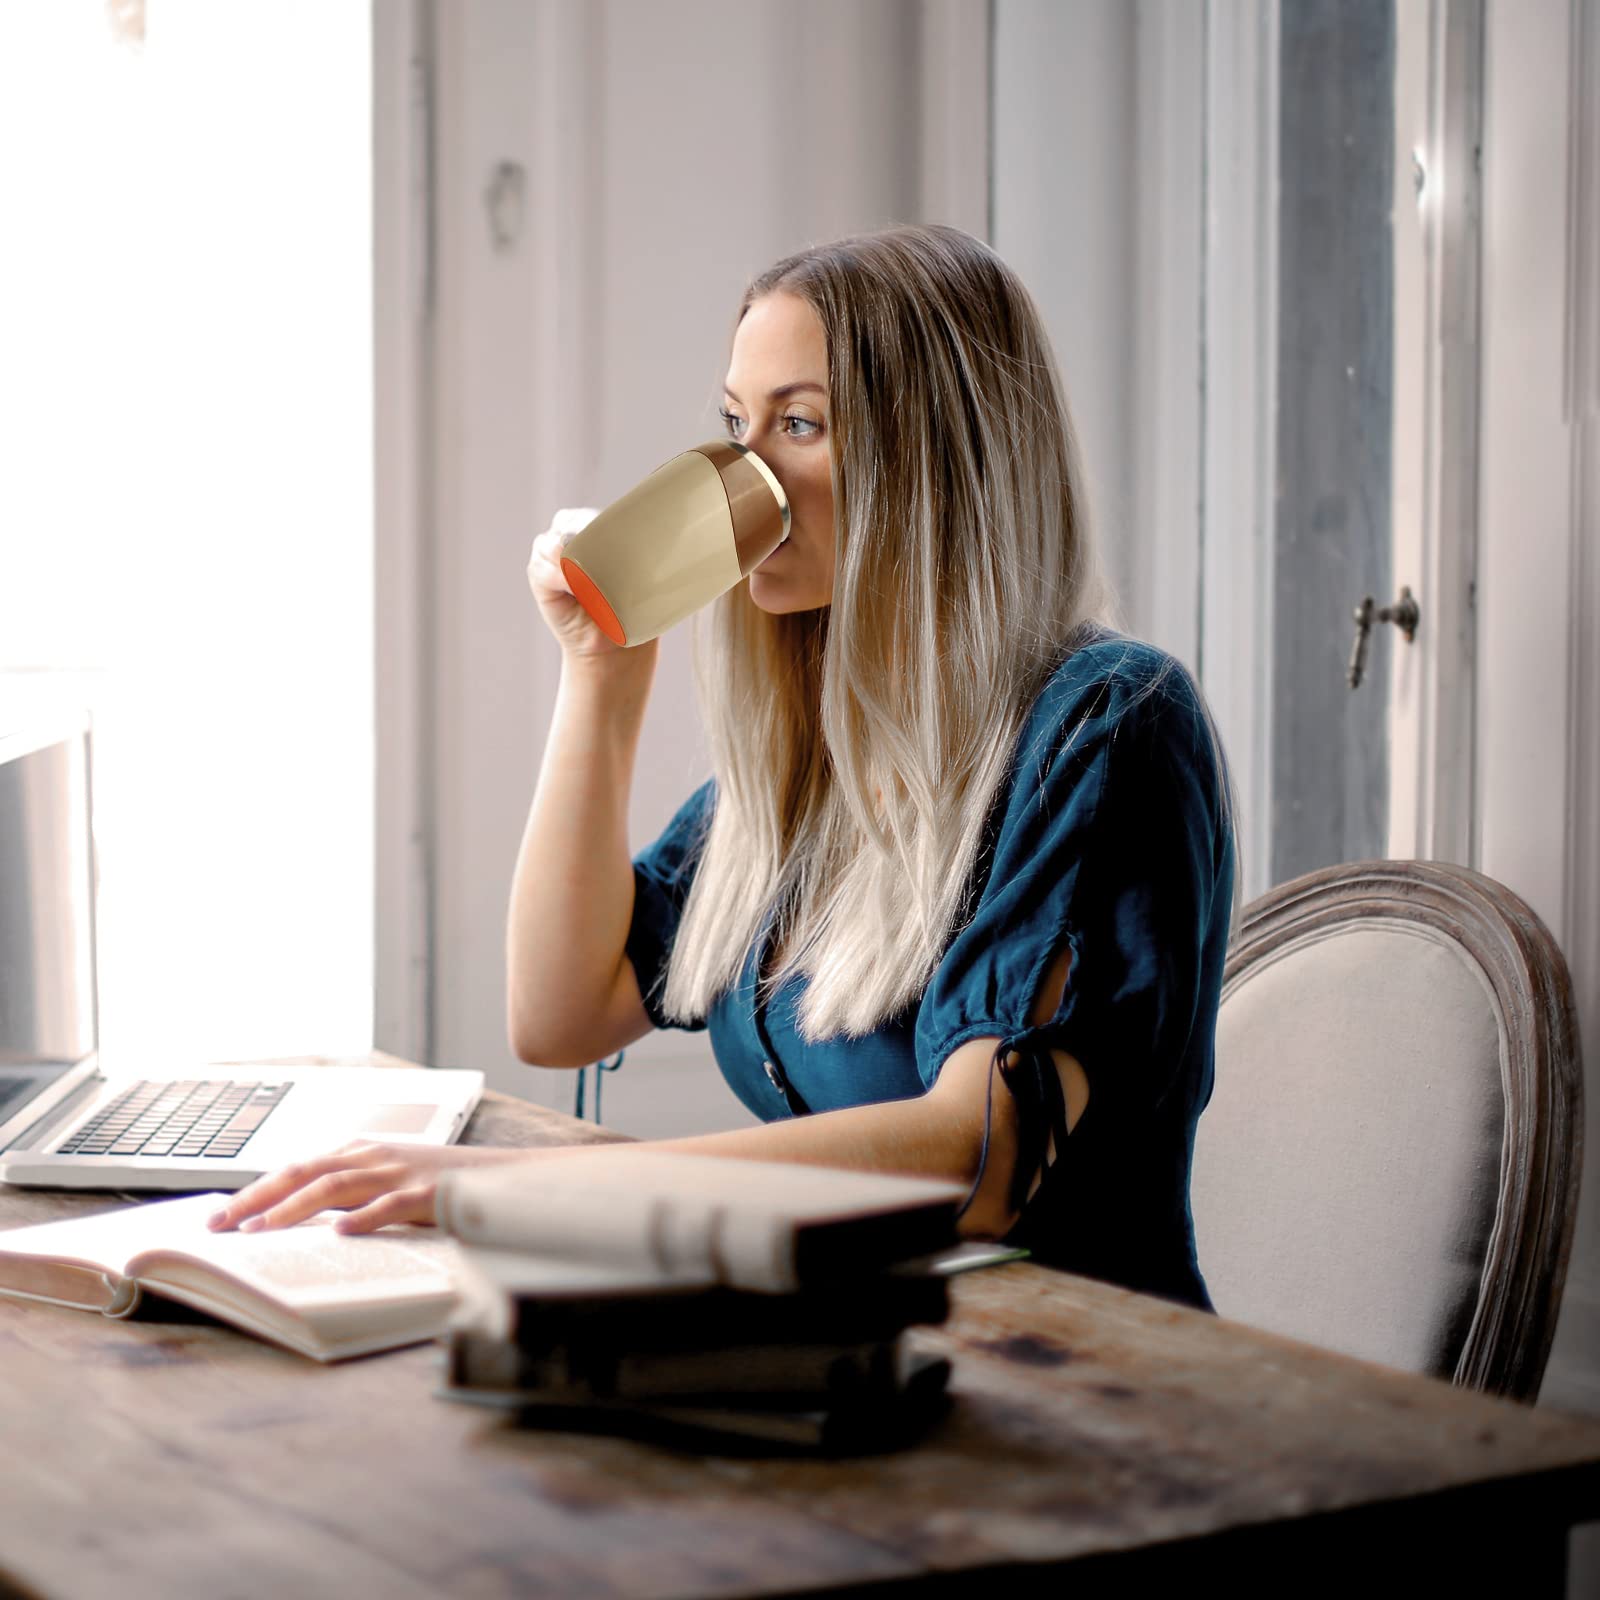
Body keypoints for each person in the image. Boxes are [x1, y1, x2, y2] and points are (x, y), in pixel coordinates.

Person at [209, 224, 1235, 1310]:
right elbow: (562, 1010)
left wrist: (526, 1188)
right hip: (856, 1338)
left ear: (940, 462)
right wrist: (600, 679)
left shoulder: (1106, 725)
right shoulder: (826, 751)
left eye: (800, 424)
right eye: (736, 424)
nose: (750, 472)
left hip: (1085, 1377)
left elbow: (979, 1156)